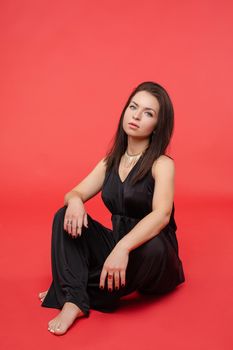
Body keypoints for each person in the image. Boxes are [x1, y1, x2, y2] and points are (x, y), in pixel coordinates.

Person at [39, 81, 185, 335]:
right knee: (63, 215)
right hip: (119, 248)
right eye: (133, 107)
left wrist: (123, 247)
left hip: (153, 255)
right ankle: (74, 297)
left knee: (153, 246)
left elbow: (161, 215)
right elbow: (74, 193)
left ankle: (68, 290)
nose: (137, 116)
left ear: (157, 126)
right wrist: (75, 201)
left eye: (148, 113)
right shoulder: (110, 162)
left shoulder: (162, 164)